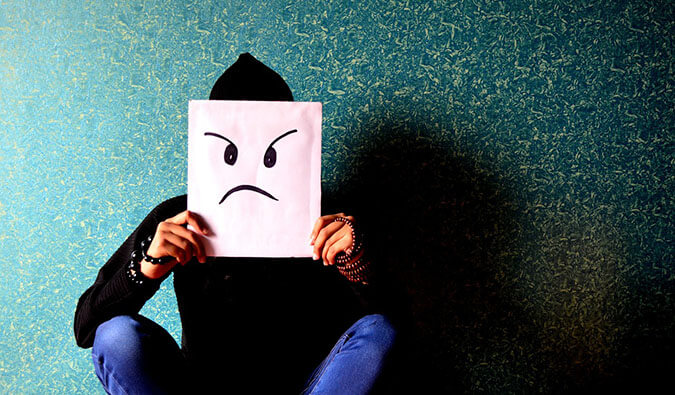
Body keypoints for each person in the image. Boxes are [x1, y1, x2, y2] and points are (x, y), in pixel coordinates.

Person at [73, 53, 397, 394]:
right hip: (199, 387)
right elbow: (87, 329)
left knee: (379, 331)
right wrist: (146, 268)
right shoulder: (178, 217)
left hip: (306, 386)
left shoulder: (328, 218)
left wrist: (358, 260)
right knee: (116, 336)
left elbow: (389, 329)